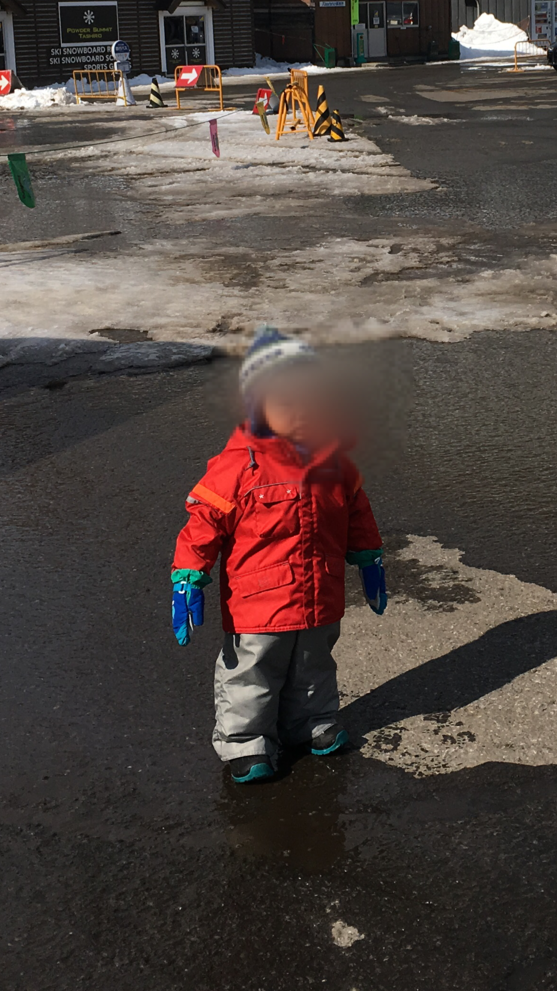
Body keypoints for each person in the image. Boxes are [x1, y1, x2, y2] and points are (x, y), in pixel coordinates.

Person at [171, 327, 387, 784]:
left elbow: (356, 510)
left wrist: (368, 556)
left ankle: (312, 725)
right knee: (251, 674)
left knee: (315, 667)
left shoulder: (336, 463)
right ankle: (245, 744)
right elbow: (202, 522)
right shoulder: (237, 466)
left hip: (320, 595)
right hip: (258, 604)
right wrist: (188, 574)